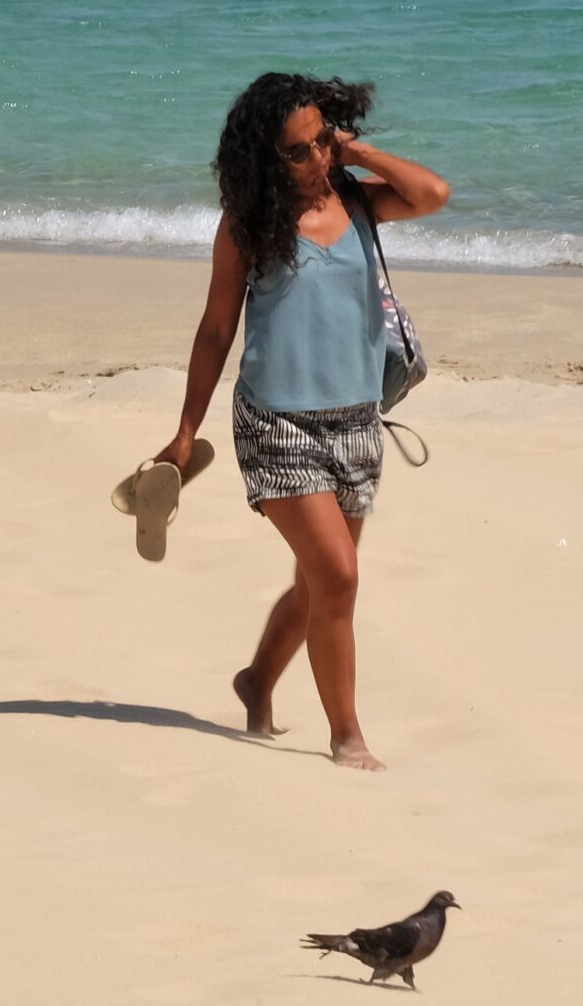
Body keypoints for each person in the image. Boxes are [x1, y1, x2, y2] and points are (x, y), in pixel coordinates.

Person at [152, 72, 450, 770]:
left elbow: (432, 193)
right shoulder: (248, 226)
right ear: (266, 158)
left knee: (318, 583)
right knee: (339, 577)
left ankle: (257, 680)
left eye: (322, 142)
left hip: (357, 423)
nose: (315, 159)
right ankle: (347, 736)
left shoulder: (359, 201)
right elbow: (215, 329)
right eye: (298, 151)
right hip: (276, 424)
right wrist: (187, 430)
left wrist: (359, 153)